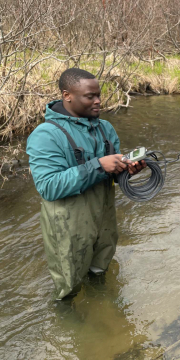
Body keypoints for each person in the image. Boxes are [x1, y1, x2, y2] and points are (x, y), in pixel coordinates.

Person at [26, 68, 146, 300]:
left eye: (99, 94)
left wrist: (128, 171)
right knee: (68, 287)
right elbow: (48, 187)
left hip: (104, 219)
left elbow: (112, 175)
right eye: (89, 96)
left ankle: (103, 311)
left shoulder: (105, 128)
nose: (98, 101)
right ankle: (71, 325)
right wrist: (99, 165)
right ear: (67, 95)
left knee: (100, 271)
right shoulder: (46, 135)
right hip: (68, 227)